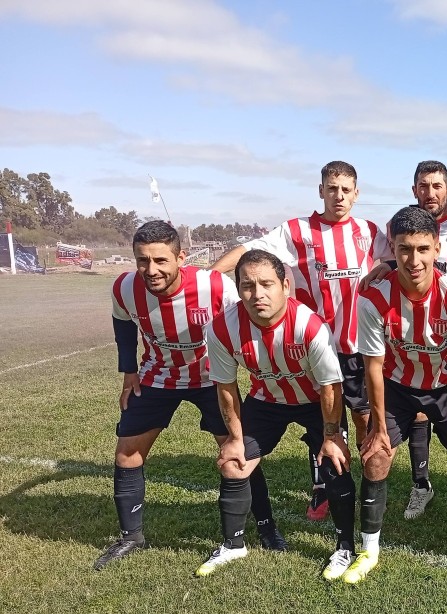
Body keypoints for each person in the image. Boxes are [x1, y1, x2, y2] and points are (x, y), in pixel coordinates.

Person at [210, 161, 377, 523]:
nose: (339, 196)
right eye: (332, 188)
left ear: (356, 194)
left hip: (357, 348)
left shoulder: (369, 231)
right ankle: (322, 486)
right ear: (321, 191)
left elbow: (393, 261)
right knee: (318, 418)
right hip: (308, 345)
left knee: (363, 419)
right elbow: (248, 251)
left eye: (346, 190)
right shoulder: (296, 231)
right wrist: (207, 277)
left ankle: (367, 485)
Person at [94, 221, 245, 570]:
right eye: (143, 260)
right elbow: (123, 324)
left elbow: (244, 322)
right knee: (127, 452)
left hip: (211, 377)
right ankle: (131, 537)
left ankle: (252, 532)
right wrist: (128, 371)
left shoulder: (213, 285)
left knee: (236, 451)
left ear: (181, 257)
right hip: (157, 376)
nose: (151, 270)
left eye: (160, 260)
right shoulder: (125, 287)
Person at [352, 206, 447, 583]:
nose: (414, 260)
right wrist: (379, 428)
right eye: (404, 249)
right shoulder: (372, 299)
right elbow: (373, 367)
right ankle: (368, 550)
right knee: (376, 458)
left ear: (436, 248)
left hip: (446, 386)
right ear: (393, 250)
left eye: (422, 249)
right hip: (397, 386)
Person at [201, 250, 356, 578]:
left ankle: (345, 547)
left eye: (266, 284)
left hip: (316, 401)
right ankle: (239, 541)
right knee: (234, 462)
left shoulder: (309, 326)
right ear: (238, 289)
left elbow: (330, 387)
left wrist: (331, 437)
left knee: (335, 462)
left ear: (285, 286)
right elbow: (226, 387)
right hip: (267, 400)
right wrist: (235, 438)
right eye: (247, 285)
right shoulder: (222, 328)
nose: (257, 294)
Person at [372, 161, 447, 521]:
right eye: (423, 186)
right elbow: (399, 261)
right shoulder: (401, 224)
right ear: (414, 190)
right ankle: (420, 485)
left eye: (437, 186)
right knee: (417, 406)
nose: (430, 192)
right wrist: (388, 266)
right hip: (411, 326)